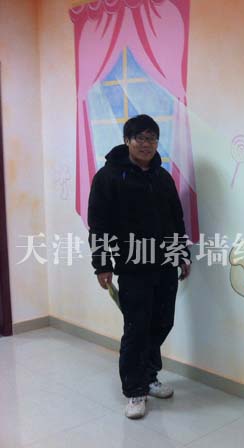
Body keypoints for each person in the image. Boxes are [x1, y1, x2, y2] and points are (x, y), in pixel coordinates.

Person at [88, 114, 191, 419]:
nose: (147, 144)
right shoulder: (108, 177)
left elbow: (176, 219)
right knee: (136, 328)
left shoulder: (162, 177)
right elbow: (99, 225)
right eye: (140, 138)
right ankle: (135, 390)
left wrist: (181, 254)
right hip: (132, 266)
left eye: (152, 138)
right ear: (127, 140)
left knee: (162, 322)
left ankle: (149, 375)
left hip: (165, 263)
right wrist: (102, 265)